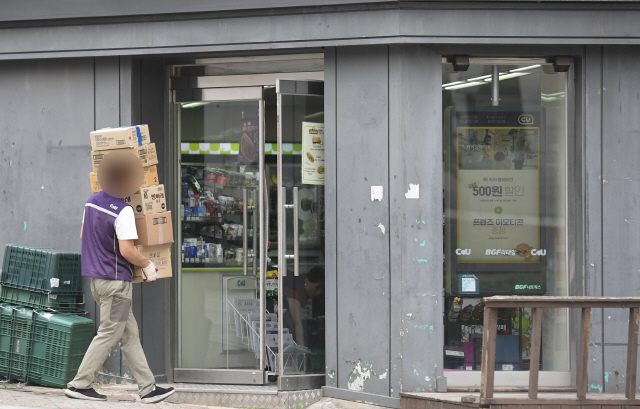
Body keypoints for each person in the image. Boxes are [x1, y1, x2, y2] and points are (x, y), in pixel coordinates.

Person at [65, 151, 175, 404]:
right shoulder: (123, 211)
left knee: (129, 335)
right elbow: (127, 250)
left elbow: (85, 235)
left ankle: (148, 389)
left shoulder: (91, 202)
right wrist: (147, 264)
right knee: (109, 333)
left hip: (97, 281)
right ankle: (79, 384)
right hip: (116, 285)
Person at [282, 267, 325, 348]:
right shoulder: (294, 287)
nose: (318, 292)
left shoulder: (299, 289)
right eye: (317, 287)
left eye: (321, 289)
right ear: (307, 281)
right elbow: (297, 323)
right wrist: (302, 350)